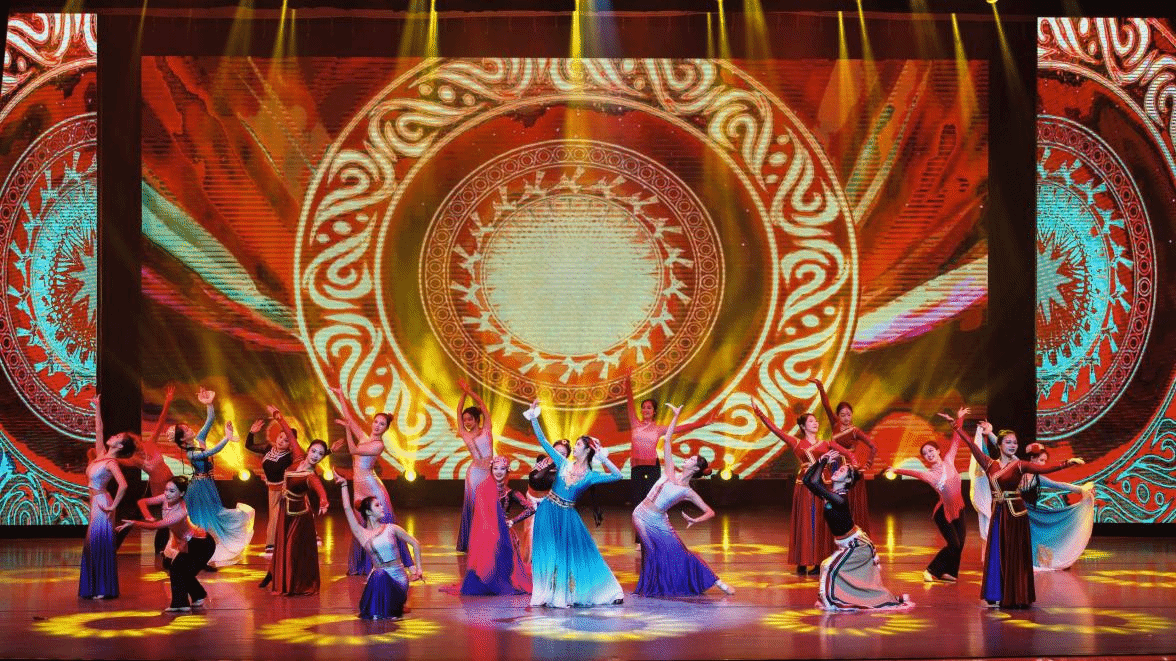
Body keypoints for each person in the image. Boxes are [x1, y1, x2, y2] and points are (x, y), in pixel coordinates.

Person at [957, 417, 1085, 608]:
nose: (1012, 445)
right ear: (999, 445)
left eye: (1015, 443)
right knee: (996, 553)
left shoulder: (1019, 465)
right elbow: (971, 445)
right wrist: (956, 426)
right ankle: (995, 593)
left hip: (1016, 515)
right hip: (998, 514)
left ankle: (1017, 595)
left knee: (1014, 555)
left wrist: (1068, 462)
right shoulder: (989, 464)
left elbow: (1045, 469)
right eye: (1008, 442)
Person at [524, 400, 625, 607]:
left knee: (575, 554)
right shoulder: (563, 463)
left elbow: (618, 475)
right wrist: (534, 417)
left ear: (587, 450)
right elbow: (543, 441)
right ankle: (546, 593)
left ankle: (569, 594)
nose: (574, 448)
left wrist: (603, 457)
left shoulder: (590, 476)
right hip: (547, 511)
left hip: (567, 517)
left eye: (578, 445)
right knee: (548, 553)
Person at [633, 403, 733, 597]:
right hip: (640, 515)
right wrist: (675, 416)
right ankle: (658, 586)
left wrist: (696, 520)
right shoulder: (671, 471)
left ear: (695, 469)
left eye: (691, 460)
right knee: (651, 552)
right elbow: (667, 440)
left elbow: (710, 512)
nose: (686, 459)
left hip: (659, 520)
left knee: (680, 552)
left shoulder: (687, 491)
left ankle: (718, 582)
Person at [752, 404, 856, 575]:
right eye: (811, 421)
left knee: (822, 522)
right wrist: (760, 414)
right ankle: (802, 560)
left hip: (824, 485)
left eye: (816, 421)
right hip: (806, 486)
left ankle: (819, 561)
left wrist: (853, 464)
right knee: (806, 522)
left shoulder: (826, 443)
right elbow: (776, 430)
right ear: (802, 426)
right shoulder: (797, 443)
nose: (815, 423)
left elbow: (848, 454)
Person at [804, 451, 910, 611]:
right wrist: (819, 461)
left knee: (827, 566)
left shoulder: (840, 499)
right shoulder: (831, 495)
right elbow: (808, 481)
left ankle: (832, 602)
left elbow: (815, 482)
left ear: (848, 480)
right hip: (849, 544)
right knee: (843, 573)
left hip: (858, 545)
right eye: (838, 469)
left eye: (842, 471)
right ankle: (841, 598)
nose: (836, 471)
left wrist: (824, 460)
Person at [329, 388, 414, 575]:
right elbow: (349, 418)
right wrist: (341, 395)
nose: (377, 426)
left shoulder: (378, 445)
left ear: (385, 428)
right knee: (361, 526)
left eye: (382, 424)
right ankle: (364, 566)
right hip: (358, 487)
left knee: (382, 525)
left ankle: (396, 563)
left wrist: (346, 429)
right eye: (376, 422)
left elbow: (353, 450)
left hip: (373, 488)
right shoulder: (364, 437)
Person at [171, 387, 254, 567]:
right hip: (199, 489)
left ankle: (206, 556)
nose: (190, 429)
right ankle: (198, 556)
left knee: (213, 519)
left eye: (188, 427)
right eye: (186, 430)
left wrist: (209, 404)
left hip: (207, 485)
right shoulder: (191, 453)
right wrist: (227, 438)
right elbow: (212, 451)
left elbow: (210, 420)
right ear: (182, 439)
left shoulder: (199, 439)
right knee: (205, 522)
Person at [887, 407, 968, 582]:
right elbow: (913, 472)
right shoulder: (928, 475)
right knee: (954, 543)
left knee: (960, 543)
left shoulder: (949, 460)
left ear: (938, 451)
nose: (928, 454)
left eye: (931, 451)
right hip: (943, 513)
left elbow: (956, 440)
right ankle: (931, 570)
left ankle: (950, 573)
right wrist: (896, 470)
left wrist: (958, 419)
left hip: (959, 508)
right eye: (925, 454)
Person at [117, 477, 216, 612]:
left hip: (201, 543)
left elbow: (156, 526)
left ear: (181, 494)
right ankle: (197, 596)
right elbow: (142, 502)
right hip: (187, 542)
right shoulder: (165, 498)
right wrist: (148, 516)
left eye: (172, 491)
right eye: (166, 490)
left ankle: (182, 603)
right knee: (180, 570)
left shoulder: (181, 511)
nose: (167, 494)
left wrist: (134, 523)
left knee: (177, 569)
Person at [623, 374, 714, 515]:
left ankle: (652, 521)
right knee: (637, 499)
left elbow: (681, 428)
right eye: (643, 408)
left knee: (652, 498)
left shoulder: (659, 428)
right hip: (636, 467)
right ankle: (639, 524)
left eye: (649, 408)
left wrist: (703, 423)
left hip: (652, 466)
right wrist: (628, 382)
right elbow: (630, 402)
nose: (646, 410)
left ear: (654, 412)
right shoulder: (635, 423)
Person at [336, 477, 424, 620]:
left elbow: (415, 543)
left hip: (398, 580)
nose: (382, 507)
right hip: (379, 577)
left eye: (381, 505)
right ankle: (377, 613)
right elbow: (347, 508)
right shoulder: (362, 534)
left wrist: (418, 569)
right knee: (379, 574)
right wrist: (344, 485)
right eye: (377, 505)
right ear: (368, 512)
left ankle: (383, 610)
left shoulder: (391, 528)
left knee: (380, 574)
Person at [261, 436, 331, 596]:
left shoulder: (311, 475)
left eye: (320, 454)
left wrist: (324, 501)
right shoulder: (298, 458)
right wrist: (281, 421)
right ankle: (273, 574)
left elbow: (320, 489)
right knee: (281, 545)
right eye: (314, 451)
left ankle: (291, 584)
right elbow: (291, 438)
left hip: (300, 516)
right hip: (285, 511)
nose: (315, 456)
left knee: (291, 548)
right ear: (308, 450)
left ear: (322, 457)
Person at [115, 384, 176, 554]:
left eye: (138, 440)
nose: (139, 444)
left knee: (169, 517)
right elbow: (116, 460)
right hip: (158, 488)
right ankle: (116, 543)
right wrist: (102, 455)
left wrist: (168, 401)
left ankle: (163, 548)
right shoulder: (134, 459)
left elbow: (161, 421)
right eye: (135, 443)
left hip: (170, 482)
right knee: (154, 516)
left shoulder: (151, 443)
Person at [79, 395, 130, 600]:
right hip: (96, 503)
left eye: (117, 436)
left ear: (120, 446)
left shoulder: (111, 463)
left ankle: (102, 588)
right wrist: (97, 406)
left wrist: (113, 506)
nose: (113, 435)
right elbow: (99, 429)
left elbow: (123, 485)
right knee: (93, 543)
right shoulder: (101, 454)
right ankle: (95, 586)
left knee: (99, 543)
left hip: (102, 503)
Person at [812, 378, 878, 534]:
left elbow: (873, 447)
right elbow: (826, 405)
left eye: (849, 414)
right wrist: (821, 388)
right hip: (834, 466)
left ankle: (851, 532)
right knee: (832, 501)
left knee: (848, 502)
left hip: (848, 469)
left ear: (852, 415)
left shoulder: (855, 431)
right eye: (842, 415)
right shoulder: (835, 425)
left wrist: (867, 465)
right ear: (838, 416)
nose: (846, 418)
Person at [461, 455, 534, 595]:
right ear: (491, 470)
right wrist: (490, 529)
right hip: (487, 533)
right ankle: (487, 583)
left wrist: (512, 521)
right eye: (495, 468)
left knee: (504, 563)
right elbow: (481, 513)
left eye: (502, 469)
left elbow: (531, 508)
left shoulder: (511, 493)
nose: (498, 472)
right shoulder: (483, 489)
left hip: (505, 534)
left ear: (507, 471)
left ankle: (501, 583)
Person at [1020, 443, 1095, 571]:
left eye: (1045, 461)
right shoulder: (1018, 470)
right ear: (1032, 459)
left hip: (1031, 514)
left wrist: (1082, 489)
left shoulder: (1038, 478)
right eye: (1041, 460)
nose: (1043, 464)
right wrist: (990, 435)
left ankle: (1038, 561)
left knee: (1034, 537)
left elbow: (1060, 485)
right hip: (1017, 511)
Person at [244, 416, 304, 556]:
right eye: (280, 437)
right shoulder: (268, 448)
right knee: (276, 517)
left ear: (291, 444)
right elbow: (249, 446)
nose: (281, 441)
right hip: (272, 490)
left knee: (278, 517)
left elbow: (308, 458)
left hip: (285, 490)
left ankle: (272, 545)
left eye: (286, 440)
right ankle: (282, 544)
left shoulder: (290, 456)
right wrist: (251, 433)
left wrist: (329, 451)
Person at [455, 380, 494, 552]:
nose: (467, 422)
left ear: (477, 419)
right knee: (474, 506)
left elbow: (482, 405)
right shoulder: (464, 433)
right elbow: (458, 411)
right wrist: (463, 394)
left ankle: (489, 539)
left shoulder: (487, 429)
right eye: (465, 420)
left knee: (490, 506)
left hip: (490, 472)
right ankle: (472, 542)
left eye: (470, 419)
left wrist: (469, 391)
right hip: (474, 473)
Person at [520, 439, 571, 564]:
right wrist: (550, 465)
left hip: (549, 503)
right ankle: (529, 562)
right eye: (555, 451)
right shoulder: (543, 461)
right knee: (530, 531)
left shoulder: (565, 469)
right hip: (532, 501)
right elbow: (534, 478)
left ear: (567, 456)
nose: (557, 455)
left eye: (562, 454)